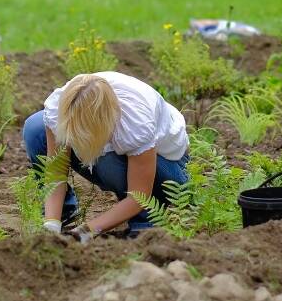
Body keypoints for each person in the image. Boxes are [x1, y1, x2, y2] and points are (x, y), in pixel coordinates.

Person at [22, 72, 190, 240]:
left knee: (108, 160)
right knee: (35, 128)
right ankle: (65, 212)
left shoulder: (135, 124)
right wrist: (51, 225)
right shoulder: (60, 107)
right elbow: (55, 173)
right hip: (118, 145)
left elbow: (139, 197)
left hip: (167, 165)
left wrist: (84, 232)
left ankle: (145, 223)